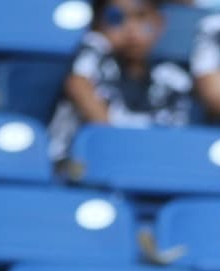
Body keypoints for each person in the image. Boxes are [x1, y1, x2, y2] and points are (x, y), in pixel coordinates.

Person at [47, 0, 193, 163]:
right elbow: (78, 84)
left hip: (144, 168)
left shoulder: (172, 79)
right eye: (116, 18)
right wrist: (118, 145)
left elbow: (171, 142)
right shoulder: (94, 54)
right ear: (99, 23)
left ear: (159, 22)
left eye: (141, 17)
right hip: (80, 168)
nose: (130, 29)